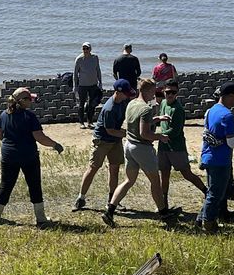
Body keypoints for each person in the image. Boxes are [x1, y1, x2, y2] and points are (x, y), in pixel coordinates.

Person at [0, 87, 64, 227]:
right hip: (28, 156)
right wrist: (55, 145)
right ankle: (41, 218)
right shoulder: (29, 116)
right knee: (34, 184)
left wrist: (11, 144)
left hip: (8, 155)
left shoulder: (4, 115)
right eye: (29, 99)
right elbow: (39, 137)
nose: (31, 101)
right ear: (21, 101)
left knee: (6, 184)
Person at [104, 79, 168, 224]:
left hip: (129, 145)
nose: (155, 94)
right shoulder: (146, 108)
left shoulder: (131, 103)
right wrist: (160, 137)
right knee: (155, 181)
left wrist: (156, 119)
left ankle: (109, 211)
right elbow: (144, 133)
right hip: (141, 148)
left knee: (128, 180)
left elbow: (136, 121)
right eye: (153, 91)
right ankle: (164, 213)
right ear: (147, 91)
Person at [196, 83, 234, 234]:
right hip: (220, 160)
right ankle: (209, 225)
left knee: (214, 191)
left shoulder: (211, 110)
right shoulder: (227, 115)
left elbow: (211, 132)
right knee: (216, 194)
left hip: (208, 156)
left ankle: (201, 219)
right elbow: (231, 142)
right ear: (226, 96)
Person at [74, 79, 135, 211]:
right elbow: (110, 130)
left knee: (114, 170)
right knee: (93, 168)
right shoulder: (109, 109)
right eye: (126, 93)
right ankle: (81, 197)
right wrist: (129, 134)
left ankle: (112, 200)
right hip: (102, 140)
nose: (128, 96)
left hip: (115, 140)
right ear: (118, 93)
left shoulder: (123, 102)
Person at [156, 80, 207, 211]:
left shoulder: (178, 110)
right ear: (164, 91)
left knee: (187, 174)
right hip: (163, 147)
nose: (170, 95)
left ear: (177, 93)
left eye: (173, 92)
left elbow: (175, 131)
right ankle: (164, 204)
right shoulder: (162, 103)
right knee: (164, 174)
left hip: (176, 147)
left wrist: (156, 136)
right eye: (168, 92)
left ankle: (206, 192)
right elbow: (160, 122)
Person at [72, 42, 103, 129]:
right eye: (84, 49)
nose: (85, 50)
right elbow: (75, 74)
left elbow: (98, 70)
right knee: (81, 104)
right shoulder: (79, 59)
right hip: (82, 85)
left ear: (90, 49)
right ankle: (81, 122)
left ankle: (90, 122)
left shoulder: (95, 57)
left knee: (91, 104)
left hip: (93, 84)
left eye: (87, 48)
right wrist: (75, 86)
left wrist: (100, 82)